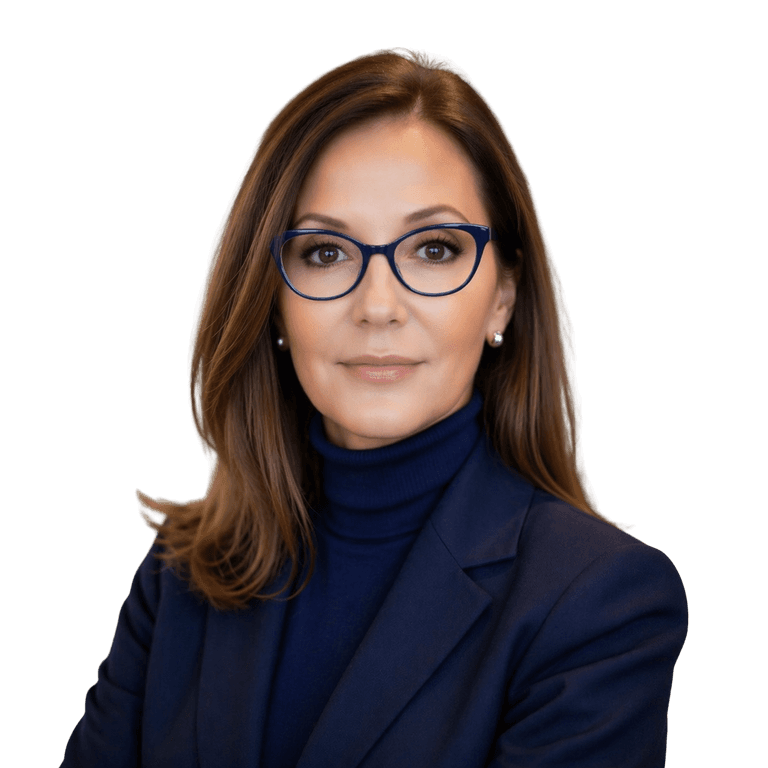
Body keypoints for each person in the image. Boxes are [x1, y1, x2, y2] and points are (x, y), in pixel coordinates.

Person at [60, 48, 688, 768]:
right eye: (326, 253)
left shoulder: (601, 601)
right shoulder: (181, 576)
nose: (378, 306)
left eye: (434, 249)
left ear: (503, 298)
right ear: (272, 300)